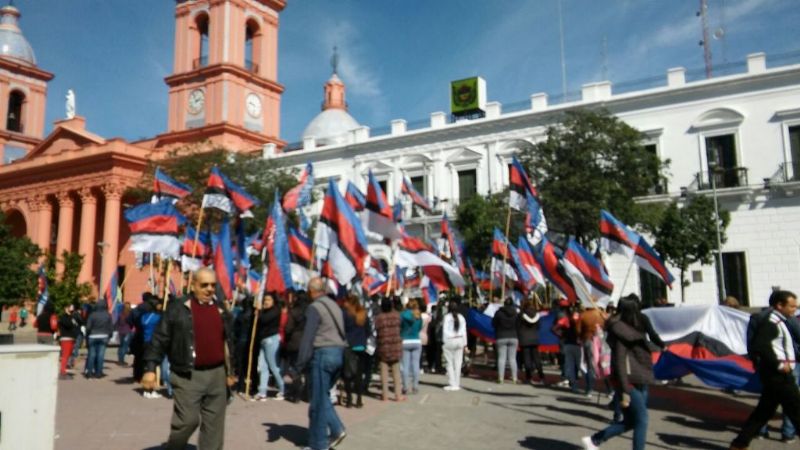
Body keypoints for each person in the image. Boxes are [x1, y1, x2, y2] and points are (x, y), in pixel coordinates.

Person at [142, 268, 238, 450]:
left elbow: (229, 343)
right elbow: (159, 338)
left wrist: (231, 371)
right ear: (193, 285)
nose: (210, 289)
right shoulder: (178, 308)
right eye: (204, 285)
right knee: (187, 421)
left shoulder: (222, 310)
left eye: (213, 285)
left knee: (214, 427)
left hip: (217, 375)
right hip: (187, 374)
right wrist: (150, 369)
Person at [581, 294, 664, 450]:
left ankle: (594, 440)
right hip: (628, 380)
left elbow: (650, 339)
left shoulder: (632, 326)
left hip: (639, 377)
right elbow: (619, 361)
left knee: (632, 421)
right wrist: (625, 389)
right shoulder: (621, 332)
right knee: (642, 419)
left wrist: (663, 346)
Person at [730, 290, 800, 450]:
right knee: (796, 411)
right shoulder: (771, 322)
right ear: (779, 305)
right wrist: (780, 365)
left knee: (763, 411)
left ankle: (739, 443)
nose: (794, 310)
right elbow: (760, 345)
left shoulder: (779, 320)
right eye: (791, 306)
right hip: (780, 376)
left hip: (774, 376)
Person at [296, 277, 348, 450]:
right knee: (323, 397)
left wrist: (300, 363)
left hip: (323, 354)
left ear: (311, 291)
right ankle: (335, 430)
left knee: (318, 401)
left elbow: (308, 337)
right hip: (338, 353)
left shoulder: (315, 307)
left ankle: (320, 443)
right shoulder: (335, 306)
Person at [254, 293, 285, 401]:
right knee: (262, 366)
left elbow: (264, 319)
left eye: (268, 300)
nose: (266, 302)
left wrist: (259, 312)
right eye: (265, 299)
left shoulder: (275, 311)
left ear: (273, 301)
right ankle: (262, 391)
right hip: (263, 341)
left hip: (271, 340)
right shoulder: (265, 311)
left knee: (273, 366)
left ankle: (282, 388)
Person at [342, 295, 370, 408]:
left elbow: (342, 329)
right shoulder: (363, 314)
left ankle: (349, 399)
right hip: (361, 346)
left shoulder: (346, 314)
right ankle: (359, 399)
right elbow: (368, 330)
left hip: (349, 346)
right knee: (359, 374)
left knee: (347, 374)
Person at [374, 297, 404, 402]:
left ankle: (385, 395)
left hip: (383, 346)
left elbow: (376, 329)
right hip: (395, 345)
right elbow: (401, 326)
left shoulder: (379, 318)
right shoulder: (396, 316)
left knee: (384, 372)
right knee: (396, 372)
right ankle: (398, 395)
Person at [284, 291, 309, 403]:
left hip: (295, 342)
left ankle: (296, 395)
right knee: (307, 370)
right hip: (308, 342)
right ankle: (308, 394)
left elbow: (288, 328)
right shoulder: (311, 311)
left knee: (295, 368)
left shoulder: (294, 312)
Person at [578, 306, 607, 397]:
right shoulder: (602, 315)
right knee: (604, 364)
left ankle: (589, 389)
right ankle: (610, 389)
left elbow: (578, 330)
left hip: (588, 340)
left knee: (590, 365)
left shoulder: (583, 315)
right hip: (603, 341)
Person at [441, 299, 467, 391]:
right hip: (459, 340)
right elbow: (464, 331)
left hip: (449, 340)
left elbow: (445, 330)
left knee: (449, 363)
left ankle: (452, 383)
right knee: (458, 363)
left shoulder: (447, 317)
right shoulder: (461, 317)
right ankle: (457, 383)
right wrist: (465, 344)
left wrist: (444, 342)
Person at [517, 297, 545, 384]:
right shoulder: (536, 314)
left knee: (527, 359)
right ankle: (541, 377)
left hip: (524, 339)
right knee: (537, 359)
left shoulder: (520, 315)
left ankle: (529, 378)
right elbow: (539, 326)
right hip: (534, 338)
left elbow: (517, 327)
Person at [84, 298, 113, 378]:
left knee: (92, 354)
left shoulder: (92, 315)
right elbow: (110, 327)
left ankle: (89, 372)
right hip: (104, 336)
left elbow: (88, 327)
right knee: (101, 355)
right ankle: (99, 372)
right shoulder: (108, 315)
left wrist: (88, 335)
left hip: (92, 335)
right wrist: (110, 335)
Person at [493, 297, 519, 384]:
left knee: (501, 358)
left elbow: (493, 323)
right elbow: (518, 325)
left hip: (501, 336)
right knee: (512, 358)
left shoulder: (498, 313)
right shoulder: (516, 313)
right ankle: (515, 378)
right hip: (513, 336)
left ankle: (500, 378)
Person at [400, 298, 423, 394]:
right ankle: (415, 386)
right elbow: (419, 328)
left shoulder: (402, 315)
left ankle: (405, 387)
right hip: (416, 340)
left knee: (405, 366)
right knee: (416, 365)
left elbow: (400, 326)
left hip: (405, 341)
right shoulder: (418, 316)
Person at [57, 303, 80, 380]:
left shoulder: (72, 317)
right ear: (66, 308)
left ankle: (64, 371)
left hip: (71, 338)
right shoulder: (63, 317)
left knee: (68, 355)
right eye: (70, 307)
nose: (72, 308)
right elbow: (68, 324)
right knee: (65, 355)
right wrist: (72, 320)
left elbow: (77, 324)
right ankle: (62, 372)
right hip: (66, 338)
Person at [115, 302, 132, 366]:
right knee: (124, 346)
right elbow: (131, 322)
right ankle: (122, 360)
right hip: (127, 331)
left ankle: (120, 360)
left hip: (121, 332)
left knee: (121, 346)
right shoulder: (130, 314)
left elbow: (117, 323)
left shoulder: (121, 314)